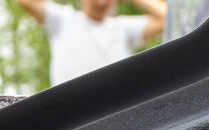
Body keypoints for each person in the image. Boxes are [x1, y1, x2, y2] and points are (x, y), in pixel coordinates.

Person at [16, 0, 166, 87]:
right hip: (69, 113)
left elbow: (167, 17)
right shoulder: (63, 20)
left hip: (114, 111)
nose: (101, 2)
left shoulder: (123, 28)